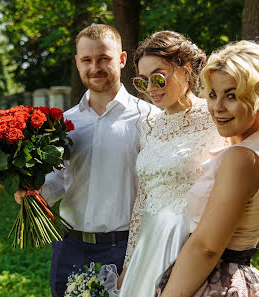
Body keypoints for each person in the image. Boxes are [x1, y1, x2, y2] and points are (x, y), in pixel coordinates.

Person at [117, 32, 259, 297]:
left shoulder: (218, 117)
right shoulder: (149, 125)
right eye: (142, 81)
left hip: (193, 237)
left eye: (158, 77)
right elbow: (143, 196)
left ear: (185, 71)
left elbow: (255, 161)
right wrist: (130, 257)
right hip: (151, 237)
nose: (151, 88)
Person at [14, 24, 160, 297]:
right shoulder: (63, 123)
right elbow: (59, 179)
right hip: (70, 246)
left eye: (104, 58)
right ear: (77, 63)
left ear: (122, 59)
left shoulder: (149, 119)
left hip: (127, 250)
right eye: (87, 60)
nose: (96, 67)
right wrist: (35, 191)